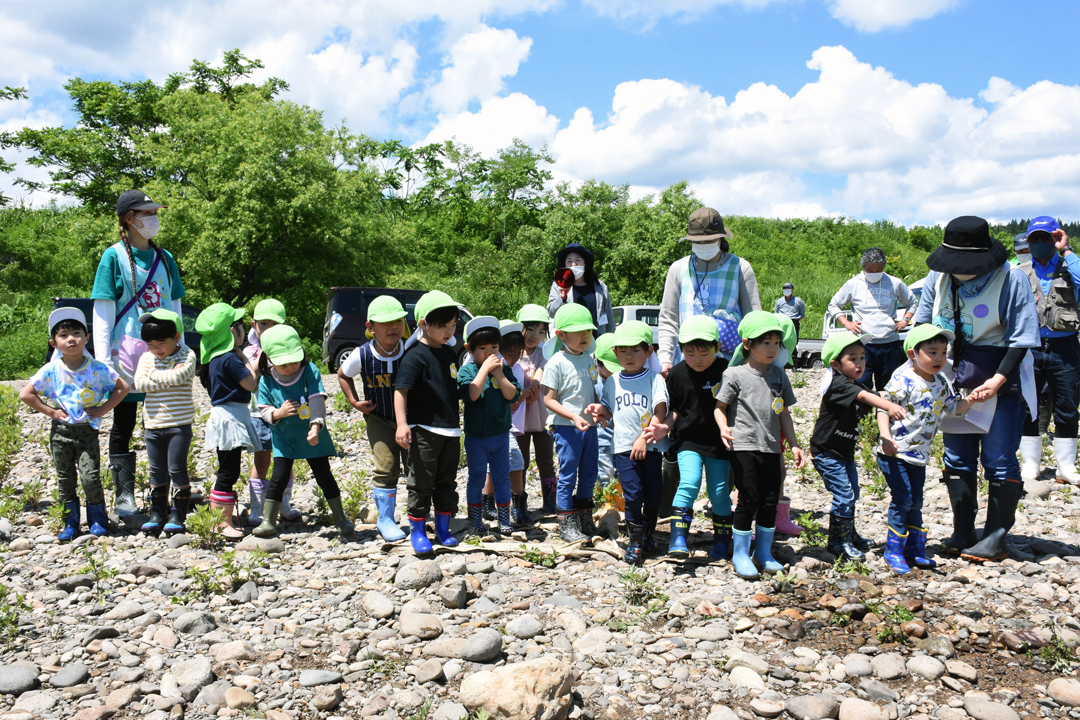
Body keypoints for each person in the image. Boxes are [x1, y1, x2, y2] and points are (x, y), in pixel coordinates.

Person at [916, 216, 1039, 563]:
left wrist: (998, 379)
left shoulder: (1010, 278)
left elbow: (1022, 336)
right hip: (952, 373)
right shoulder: (937, 278)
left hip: (1000, 373)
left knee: (999, 458)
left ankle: (997, 535)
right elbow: (923, 325)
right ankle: (963, 530)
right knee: (957, 456)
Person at [657, 207, 760, 541]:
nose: (703, 245)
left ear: (720, 238)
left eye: (710, 240)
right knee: (680, 427)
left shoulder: (740, 267)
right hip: (684, 362)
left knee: (726, 432)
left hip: (727, 365)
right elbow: (669, 316)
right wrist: (664, 357)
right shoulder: (678, 269)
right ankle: (670, 506)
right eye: (697, 241)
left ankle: (723, 502)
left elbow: (752, 317)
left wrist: (751, 363)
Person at [92, 190, 185, 517]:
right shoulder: (113, 257)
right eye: (147, 213)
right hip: (127, 353)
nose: (154, 219)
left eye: (155, 212)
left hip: (163, 353)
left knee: (169, 423)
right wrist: (103, 361)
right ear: (129, 219)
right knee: (124, 423)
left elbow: (174, 306)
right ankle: (125, 497)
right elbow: (103, 310)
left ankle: (168, 495)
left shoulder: (166, 258)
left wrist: (181, 347)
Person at [876, 325, 986, 574]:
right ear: (913, 354)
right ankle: (893, 551)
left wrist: (973, 399)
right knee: (902, 500)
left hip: (919, 456)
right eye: (933, 352)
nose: (939, 358)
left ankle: (915, 549)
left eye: (944, 352)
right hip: (895, 451)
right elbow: (883, 408)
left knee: (916, 502)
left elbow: (953, 407)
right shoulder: (903, 379)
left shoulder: (941, 381)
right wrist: (885, 437)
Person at [20, 308, 129, 541]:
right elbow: (26, 394)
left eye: (77, 333)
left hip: (87, 431)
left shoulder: (97, 368)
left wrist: (102, 410)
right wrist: (51, 412)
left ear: (86, 337)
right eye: (64, 335)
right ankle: (70, 523)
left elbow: (122, 388)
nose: (72, 339)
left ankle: (97, 519)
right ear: (54, 342)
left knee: (90, 476)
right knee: (65, 477)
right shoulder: (51, 370)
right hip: (61, 432)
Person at [715, 311, 806, 579]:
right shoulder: (734, 374)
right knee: (749, 497)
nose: (771, 348)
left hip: (771, 446)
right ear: (747, 344)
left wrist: (794, 444)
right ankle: (740, 553)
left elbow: (784, 413)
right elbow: (719, 408)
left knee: (770, 500)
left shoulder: (779, 375)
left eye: (776, 343)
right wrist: (723, 427)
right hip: (743, 444)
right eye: (765, 342)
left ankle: (763, 552)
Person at [810, 331, 905, 561]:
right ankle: (837, 542)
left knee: (852, 493)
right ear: (836, 364)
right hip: (827, 451)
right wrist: (888, 406)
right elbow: (865, 398)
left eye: (863, 357)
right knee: (843, 494)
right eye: (853, 358)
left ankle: (849, 535)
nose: (860, 363)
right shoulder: (839, 384)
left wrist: (891, 395)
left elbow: (874, 393)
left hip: (844, 451)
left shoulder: (854, 382)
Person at [253, 325, 354, 537]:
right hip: (284, 436)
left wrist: (315, 426)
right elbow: (263, 409)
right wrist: (278, 413)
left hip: (311, 435)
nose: (291, 366)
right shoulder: (266, 379)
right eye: (284, 363)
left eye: (294, 360)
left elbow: (317, 399)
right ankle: (269, 521)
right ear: (270, 359)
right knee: (278, 476)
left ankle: (340, 518)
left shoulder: (309, 370)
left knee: (323, 474)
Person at [394, 291, 464, 554]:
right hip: (423, 428)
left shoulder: (448, 353)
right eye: (443, 326)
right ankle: (418, 531)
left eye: (453, 325)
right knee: (421, 481)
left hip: (450, 429)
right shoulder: (414, 355)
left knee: (447, 481)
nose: (449, 331)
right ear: (423, 324)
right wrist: (402, 424)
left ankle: (443, 528)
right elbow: (401, 391)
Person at [337, 295, 409, 542]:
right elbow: (343, 375)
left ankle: (420, 514)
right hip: (378, 419)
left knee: (416, 466)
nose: (393, 328)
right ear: (370, 327)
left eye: (398, 321)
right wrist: (355, 402)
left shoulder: (409, 348)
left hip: (410, 420)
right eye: (386, 323)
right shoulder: (362, 354)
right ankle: (385, 519)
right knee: (386, 467)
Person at [597, 321, 669, 564]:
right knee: (633, 494)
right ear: (615, 352)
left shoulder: (654, 379)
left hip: (649, 447)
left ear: (648, 352)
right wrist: (599, 411)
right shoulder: (612, 381)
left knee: (653, 493)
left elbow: (659, 412)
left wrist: (644, 438)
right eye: (623, 350)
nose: (629, 356)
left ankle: (648, 531)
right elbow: (609, 409)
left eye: (636, 350)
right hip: (624, 448)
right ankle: (636, 541)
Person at [1015, 217, 1080, 486]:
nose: (1040, 243)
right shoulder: (1017, 272)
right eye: (1035, 239)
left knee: (1067, 406)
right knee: (1028, 406)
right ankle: (1031, 464)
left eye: (1046, 238)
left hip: (1065, 348)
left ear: (1056, 238)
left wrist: (1067, 250)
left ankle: (1066, 466)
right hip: (1029, 349)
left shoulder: (1070, 266)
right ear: (1026, 242)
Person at [662, 316, 730, 560]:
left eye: (704, 353)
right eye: (690, 353)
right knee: (689, 482)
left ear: (717, 348)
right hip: (687, 441)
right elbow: (675, 410)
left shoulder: (726, 370)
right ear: (681, 350)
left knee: (719, 492)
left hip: (718, 442)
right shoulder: (678, 374)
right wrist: (663, 427)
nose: (697, 360)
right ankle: (678, 538)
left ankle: (722, 540)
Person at [196, 303, 259, 540]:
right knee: (228, 471)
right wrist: (243, 354)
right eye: (239, 326)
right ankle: (221, 523)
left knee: (227, 468)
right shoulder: (230, 359)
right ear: (232, 332)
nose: (243, 329)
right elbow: (251, 384)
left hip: (223, 415)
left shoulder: (213, 359)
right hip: (231, 417)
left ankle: (225, 519)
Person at [542, 303, 604, 542]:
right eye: (579, 332)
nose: (585, 336)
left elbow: (592, 393)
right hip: (567, 428)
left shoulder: (589, 359)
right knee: (568, 474)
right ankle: (566, 523)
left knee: (589, 473)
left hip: (590, 427)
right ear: (560, 334)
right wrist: (573, 416)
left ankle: (584, 518)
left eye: (588, 331)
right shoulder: (556, 362)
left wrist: (600, 412)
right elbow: (548, 400)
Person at [132, 309, 196, 536]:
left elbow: (179, 377)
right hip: (152, 423)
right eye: (150, 344)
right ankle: (157, 513)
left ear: (176, 337)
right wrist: (166, 376)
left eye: (161, 343)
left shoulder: (187, 354)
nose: (156, 349)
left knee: (176, 468)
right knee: (156, 470)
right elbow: (139, 384)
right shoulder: (146, 358)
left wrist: (154, 376)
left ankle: (178, 515)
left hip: (179, 423)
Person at [458, 317, 521, 536]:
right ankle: (476, 519)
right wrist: (484, 369)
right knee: (476, 477)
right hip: (476, 437)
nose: (489, 352)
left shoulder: (503, 369)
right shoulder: (467, 371)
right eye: (482, 348)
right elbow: (472, 394)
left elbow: (512, 395)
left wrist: (499, 374)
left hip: (501, 435)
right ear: (469, 349)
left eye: (494, 347)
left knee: (501, 477)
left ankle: (504, 518)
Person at [243, 299, 301, 527]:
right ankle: (257, 508)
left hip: (284, 413)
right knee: (262, 460)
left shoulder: (288, 347)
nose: (267, 329)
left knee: (286, 461)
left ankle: (283, 505)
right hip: (260, 414)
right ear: (254, 324)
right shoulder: (250, 351)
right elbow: (251, 376)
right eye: (263, 324)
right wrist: (264, 354)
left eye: (274, 325)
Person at [827, 247, 918, 390]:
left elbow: (912, 302)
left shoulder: (895, 283)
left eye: (878, 270)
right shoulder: (853, 284)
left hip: (889, 342)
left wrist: (905, 320)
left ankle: (886, 412)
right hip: (863, 344)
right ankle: (863, 412)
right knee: (862, 383)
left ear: (883, 267)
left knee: (889, 386)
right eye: (870, 270)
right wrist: (847, 323)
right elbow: (833, 305)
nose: (874, 273)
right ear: (863, 268)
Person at [515, 304, 557, 514]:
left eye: (541, 332)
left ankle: (550, 502)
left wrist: (534, 386)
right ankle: (519, 502)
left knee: (546, 460)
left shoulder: (543, 354)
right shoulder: (511, 353)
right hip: (519, 418)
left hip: (542, 418)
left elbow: (540, 374)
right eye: (531, 329)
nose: (535, 335)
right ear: (520, 328)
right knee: (519, 462)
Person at [547, 244, 615, 335]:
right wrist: (562, 295)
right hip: (571, 342)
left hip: (597, 339)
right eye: (569, 261)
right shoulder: (558, 285)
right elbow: (551, 312)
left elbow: (609, 316)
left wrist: (610, 340)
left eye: (577, 260)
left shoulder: (600, 286)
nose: (573, 264)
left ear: (585, 263)